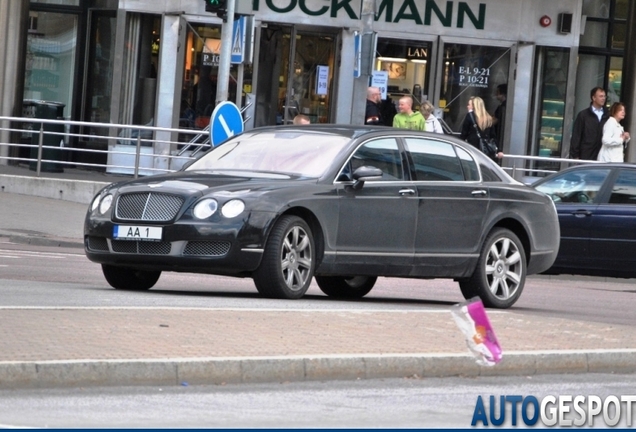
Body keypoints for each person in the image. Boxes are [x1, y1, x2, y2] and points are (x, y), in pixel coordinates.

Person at [570, 87, 610, 160]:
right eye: (601, 96)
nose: (603, 98)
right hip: (586, 155)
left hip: (603, 156)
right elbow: (576, 135)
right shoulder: (583, 115)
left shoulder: (608, 115)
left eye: (604, 96)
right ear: (594, 98)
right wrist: (575, 155)